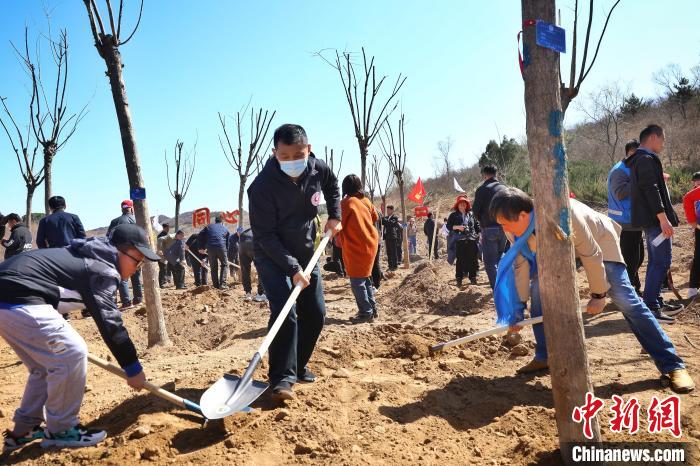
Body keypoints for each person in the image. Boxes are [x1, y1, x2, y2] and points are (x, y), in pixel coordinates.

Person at [490, 187, 694, 393]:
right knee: (539, 292)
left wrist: (598, 294)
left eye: (504, 222)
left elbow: (591, 254)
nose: (503, 227)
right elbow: (521, 266)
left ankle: (673, 365)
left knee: (625, 299)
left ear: (523, 215)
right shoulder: (513, 228)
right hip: (558, 251)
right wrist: (517, 309)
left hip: (598, 241)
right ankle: (545, 356)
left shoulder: (564, 215)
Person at [0, 224, 156, 450]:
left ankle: (23, 431)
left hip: (10, 299)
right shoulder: (103, 270)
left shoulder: (89, 257)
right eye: (137, 260)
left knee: (45, 367)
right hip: (20, 296)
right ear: (122, 251)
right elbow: (110, 323)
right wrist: (133, 368)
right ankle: (62, 430)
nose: (138, 268)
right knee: (72, 353)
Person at [248, 123, 341, 402]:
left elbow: (333, 186)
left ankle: (298, 366)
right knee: (285, 312)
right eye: (285, 156)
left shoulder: (316, 168)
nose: (292, 162)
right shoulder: (261, 187)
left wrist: (334, 214)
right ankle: (281, 379)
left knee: (315, 312)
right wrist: (292, 269)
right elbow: (264, 235)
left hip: (305, 250)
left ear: (308, 150)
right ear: (275, 153)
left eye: (298, 155)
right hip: (271, 255)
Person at [626, 124, 683, 323]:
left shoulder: (638, 160)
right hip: (655, 222)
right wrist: (663, 218)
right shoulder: (645, 159)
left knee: (656, 262)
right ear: (652, 137)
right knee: (661, 262)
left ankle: (654, 302)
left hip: (650, 221)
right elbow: (651, 190)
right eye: (662, 139)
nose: (663, 143)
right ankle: (651, 306)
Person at [337, 174, 380, 323]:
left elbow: (337, 222)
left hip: (357, 245)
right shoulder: (366, 201)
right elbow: (375, 217)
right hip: (371, 242)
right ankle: (372, 310)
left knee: (357, 280)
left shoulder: (346, 202)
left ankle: (365, 312)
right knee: (365, 277)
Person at [608, 140, 644, 295]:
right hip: (624, 223)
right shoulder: (620, 171)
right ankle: (627, 294)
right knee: (630, 260)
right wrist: (639, 181)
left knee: (638, 257)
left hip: (634, 221)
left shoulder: (632, 169)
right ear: (630, 153)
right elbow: (620, 193)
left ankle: (634, 287)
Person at [471, 165, 508, 289]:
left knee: (490, 262)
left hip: (489, 228)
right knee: (500, 257)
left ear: (484, 175)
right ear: (496, 174)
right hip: (505, 228)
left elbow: (475, 211)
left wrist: (482, 220)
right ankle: (505, 284)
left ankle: (499, 290)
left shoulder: (482, 189)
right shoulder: (505, 189)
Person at [107, 200, 142, 308]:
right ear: (132, 208)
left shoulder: (115, 221)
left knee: (123, 278)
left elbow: (109, 237)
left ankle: (126, 302)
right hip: (137, 252)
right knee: (136, 276)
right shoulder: (138, 220)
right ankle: (138, 300)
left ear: (122, 208)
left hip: (121, 253)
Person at [446, 195, 480, 287]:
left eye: (464, 203)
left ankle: (473, 278)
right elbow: (448, 226)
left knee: (473, 259)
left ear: (467, 205)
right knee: (460, 260)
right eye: (461, 204)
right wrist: (458, 227)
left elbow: (477, 226)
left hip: (471, 239)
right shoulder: (453, 215)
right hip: (459, 240)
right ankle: (459, 278)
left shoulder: (471, 214)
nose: (462, 205)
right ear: (457, 205)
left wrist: (478, 234)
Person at [198, 215, 230, 289]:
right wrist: (226, 252)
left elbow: (200, 235)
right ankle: (223, 284)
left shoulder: (208, 227)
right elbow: (227, 243)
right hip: (221, 247)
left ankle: (216, 286)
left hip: (210, 248)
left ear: (215, 221)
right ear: (222, 222)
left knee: (214, 267)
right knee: (224, 265)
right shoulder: (225, 228)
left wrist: (201, 247)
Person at [682, 171, 700, 299]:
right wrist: (692, 221)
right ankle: (693, 288)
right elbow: (687, 198)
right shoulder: (696, 192)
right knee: (698, 256)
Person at [238, 227, 266, 302]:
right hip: (254, 243)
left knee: (245, 270)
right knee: (262, 268)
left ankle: (248, 294)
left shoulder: (246, 232)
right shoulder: (263, 229)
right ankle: (260, 294)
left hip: (242, 243)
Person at [382, 206, 402, 271]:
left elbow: (390, 223)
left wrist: (385, 220)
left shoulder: (395, 218)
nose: (387, 212)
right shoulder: (386, 218)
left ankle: (395, 266)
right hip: (387, 237)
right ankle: (390, 265)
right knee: (389, 252)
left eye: (388, 210)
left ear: (392, 210)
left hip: (392, 237)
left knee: (393, 252)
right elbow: (383, 222)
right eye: (387, 210)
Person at [157, 223, 173, 287]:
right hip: (162, 255)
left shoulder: (168, 235)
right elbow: (160, 246)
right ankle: (161, 283)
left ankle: (166, 281)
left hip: (168, 254)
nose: (168, 229)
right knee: (162, 269)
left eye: (169, 228)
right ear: (164, 228)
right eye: (167, 228)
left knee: (167, 268)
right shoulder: (160, 236)